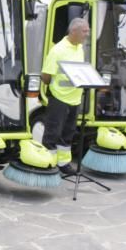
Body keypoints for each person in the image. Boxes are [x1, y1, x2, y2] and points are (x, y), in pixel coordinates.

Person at [40, 17, 91, 175]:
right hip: (59, 99)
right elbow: (46, 76)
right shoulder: (58, 50)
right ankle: (48, 164)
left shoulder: (79, 48)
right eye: (84, 31)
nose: (87, 34)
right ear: (73, 31)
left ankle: (64, 164)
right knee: (52, 134)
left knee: (67, 135)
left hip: (74, 99)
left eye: (87, 31)